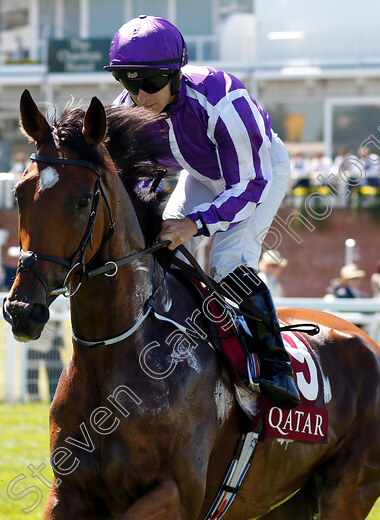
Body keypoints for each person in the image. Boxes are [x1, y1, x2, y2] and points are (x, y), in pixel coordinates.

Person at [105, 15, 300, 408]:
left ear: (176, 72)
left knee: (228, 261)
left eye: (151, 83)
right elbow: (139, 178)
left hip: (258, 171)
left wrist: (195, 223)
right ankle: (183, 342)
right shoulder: (128, 109)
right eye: (128, 81)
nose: (141, 96)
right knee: (166, 250)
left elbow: (249, 185)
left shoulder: (224, 100)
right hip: (201, 173)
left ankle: (276, 365)